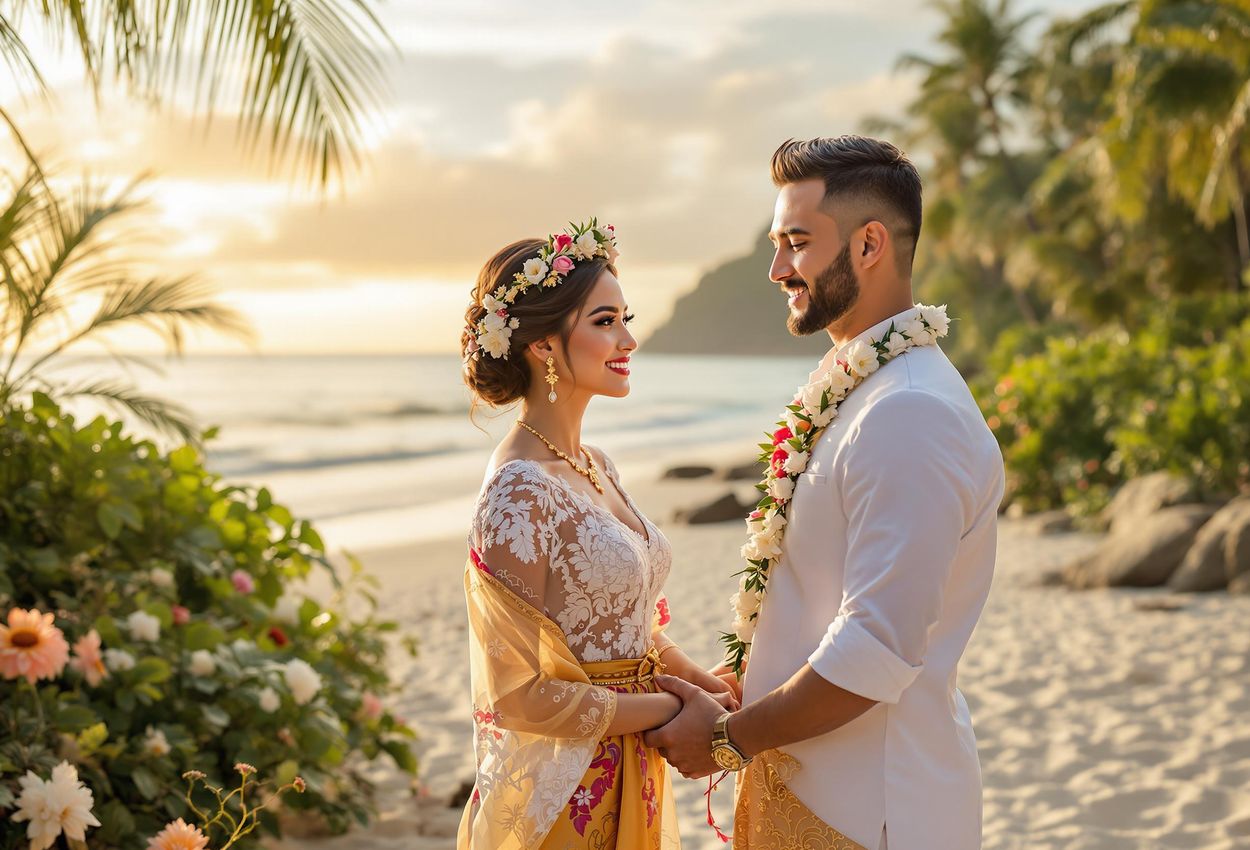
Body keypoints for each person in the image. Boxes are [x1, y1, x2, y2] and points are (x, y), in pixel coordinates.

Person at [643, 137, 1006, 850]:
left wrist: (726, 741)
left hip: (871, 811)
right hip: (814, 788)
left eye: (796, 243)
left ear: (870, 245)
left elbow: (876, 647)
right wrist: (747, 676)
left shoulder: (909, 412)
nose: (778, 268)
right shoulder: (859, 391)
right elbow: (829, 593)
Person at [457, 220, 735, 849]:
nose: (628, 339)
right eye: (605, 321)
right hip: (564, 792)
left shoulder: (595, 463)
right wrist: (673, 706)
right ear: (544, 347)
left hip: (628, 764)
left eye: (623, 317)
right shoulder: (518, 492)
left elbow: (625, 622)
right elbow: (519, 696)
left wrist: (702, 682)